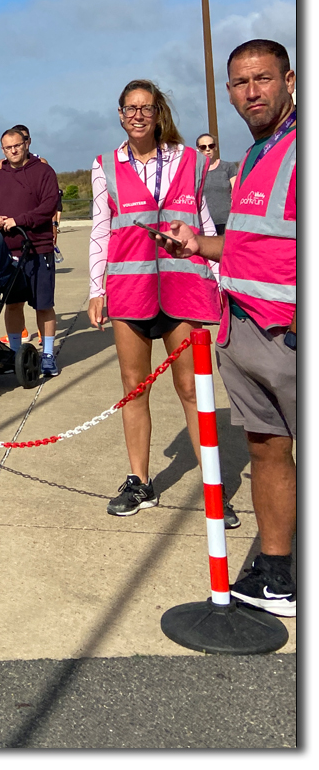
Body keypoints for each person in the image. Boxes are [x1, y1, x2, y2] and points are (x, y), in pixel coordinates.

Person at [159, 39, 296, 615]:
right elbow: (250, 245)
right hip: (243, 329)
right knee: (266, 450)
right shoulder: (258, 154)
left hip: (287, 334)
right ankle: (279, 574)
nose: (251, 92)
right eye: (239, 83)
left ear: (290, 79)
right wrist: (199, 244)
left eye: (262, 79)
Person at [87, 80, 238, 527]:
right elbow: (101, 229)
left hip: (183, 289)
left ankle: (213, 484)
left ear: (158, 113)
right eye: (129, 108)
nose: (137, 115)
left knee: (193, 389)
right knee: (135, 387)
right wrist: (97, 289)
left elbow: (204, 220)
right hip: (130, 291)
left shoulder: (191, 161)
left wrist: (219, 281)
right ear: (119, 114)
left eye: (145, 108)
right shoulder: (105, 166)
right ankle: (139, 481)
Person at [0, 128, 62, 376]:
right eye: (8, 148)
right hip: (9, 252)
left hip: (38, 249)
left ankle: (47, 355)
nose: (13, 151)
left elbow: (49, 206)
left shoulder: (43, 172)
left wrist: (21, 220)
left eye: (17, 145)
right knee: (13, 304)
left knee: (43, 305)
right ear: (2, 150)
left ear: (27, 143)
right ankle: (16, 353)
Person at [196, 133, 240, 234]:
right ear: (198, 149)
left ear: (215, 147)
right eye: (203, 147)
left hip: (227, 222)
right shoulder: (195, 171)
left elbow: (236, 192)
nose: (208, 149)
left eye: (211, 146)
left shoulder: (229, 167)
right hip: (204, 224)